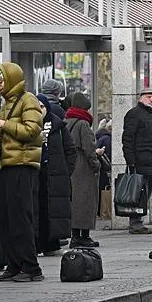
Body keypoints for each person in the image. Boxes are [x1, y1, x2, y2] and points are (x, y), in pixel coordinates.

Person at [0, 62, 44, 283]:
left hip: (21, 166)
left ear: (10, 79)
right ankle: (14, 263)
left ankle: (31, 267)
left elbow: (32, 130)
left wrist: (3, 124)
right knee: (5, 219)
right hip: (6, 166)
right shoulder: (7, 102)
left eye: (1, 81)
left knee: (20, 218)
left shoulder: (27, 99)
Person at [35, 95, 75, 255]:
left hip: (55, 175)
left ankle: (52, 244)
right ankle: (37, 244)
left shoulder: (58, 126)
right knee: (37, 209)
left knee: (53, 210)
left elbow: (70, 150)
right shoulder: (30, 125)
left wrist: (66, 171)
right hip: (36, 174)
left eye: (42, 107)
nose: (39, 111)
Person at [65, 92, 102, 248]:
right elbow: (89, 147)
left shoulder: (66, 122)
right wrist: (96, 164)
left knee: (75, 203)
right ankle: (84, 236)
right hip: (84, 167)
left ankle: (75, 236)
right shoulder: (83, 124)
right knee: (87, 201)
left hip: (71, 166)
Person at [122, 88, 152, 234]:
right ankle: (135, 222)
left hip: (150, 159)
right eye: (149, 97)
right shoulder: (134, 114)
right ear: (141, 98)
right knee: (139, 192)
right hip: (140, 159)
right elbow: (128, 139)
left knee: (145, 190)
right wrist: (130, 160)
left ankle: (138, 221)